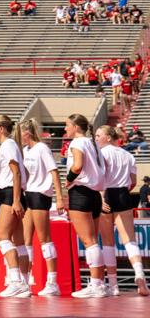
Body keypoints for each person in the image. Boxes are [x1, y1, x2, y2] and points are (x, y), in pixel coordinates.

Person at [96, 124, 149, 296]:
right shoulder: (127, 155)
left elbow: (100, 178)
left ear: (109, 137)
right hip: (123, 193)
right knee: (129, 240)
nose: (96, 139)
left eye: (99, 135)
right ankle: (140, 275)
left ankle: (113, 285)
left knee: (108, 242)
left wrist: (101, 197)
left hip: (107, 193)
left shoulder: (102, 154)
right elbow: (133, 181)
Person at [19, 120, 65, 296]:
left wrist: (59, 197)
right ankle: (27, 280)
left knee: (45, 239)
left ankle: (53, 282)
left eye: (21, 134)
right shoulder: (25, 150)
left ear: (27, 133)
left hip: (40, 194)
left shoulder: (42, 149)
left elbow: (54, 171)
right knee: (26, 239)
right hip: (29, 193)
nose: (19, 137)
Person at [63, 113, 106, 298]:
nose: (65, 129)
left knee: (89, 242)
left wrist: (68, 179)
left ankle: (96, 285)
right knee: (93, 241)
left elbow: (77, 165)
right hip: (95, 193)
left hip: (81, 192)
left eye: (67, 125)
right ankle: (98, 284)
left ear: (76, 127)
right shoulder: (92, 142)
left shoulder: (77, 143)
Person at [0, 114, 28, 297]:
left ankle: (16, 280)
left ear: (2, 129)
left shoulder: (8, 145)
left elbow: (16, 173)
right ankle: (25, 283)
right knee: (19, 242)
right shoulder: (10, 146)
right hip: (13, 193)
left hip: (10, 194)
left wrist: (15, 200)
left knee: (3, 238)